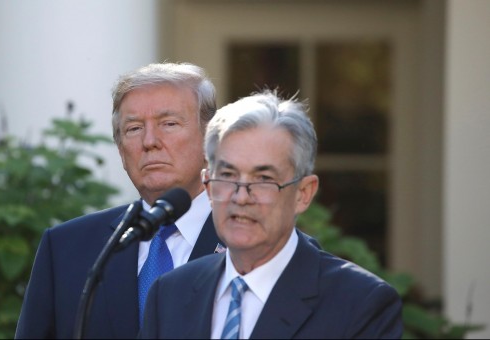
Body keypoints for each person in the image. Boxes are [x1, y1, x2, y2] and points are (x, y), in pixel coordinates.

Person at [139, 90, 403, 339]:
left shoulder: (360, 303)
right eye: (228, 176)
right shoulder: (169, 294)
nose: (241, 197)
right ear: (208, 186)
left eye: (263, 178)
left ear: (303, 193)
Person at [15, 62, 223, 339]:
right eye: (134, 128)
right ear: (121, 149)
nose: (149, 141)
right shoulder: (66, 248)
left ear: (211, 139)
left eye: (169, 124)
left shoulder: (250, 241)